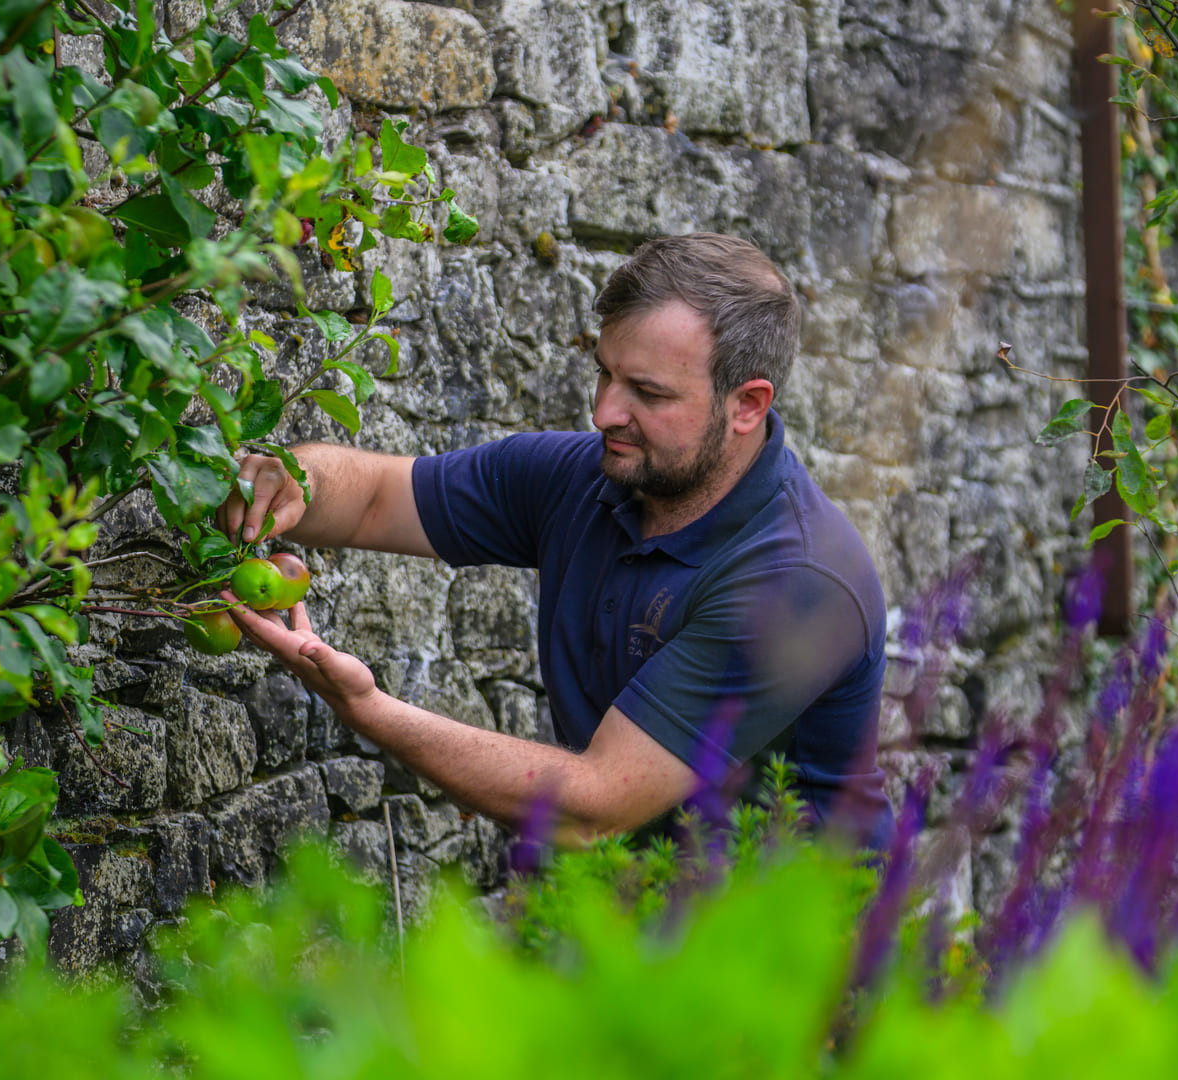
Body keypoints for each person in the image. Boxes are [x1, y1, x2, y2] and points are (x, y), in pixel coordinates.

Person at [219, 232, 892, 847]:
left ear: (748, 404)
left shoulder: (798, 579)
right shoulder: (587, 477)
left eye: (648, 393)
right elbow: (371, 499)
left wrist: (365, 708)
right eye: (605, 372)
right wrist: (293, 483)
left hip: (796, 958)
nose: (604, 412)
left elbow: (593, 808)